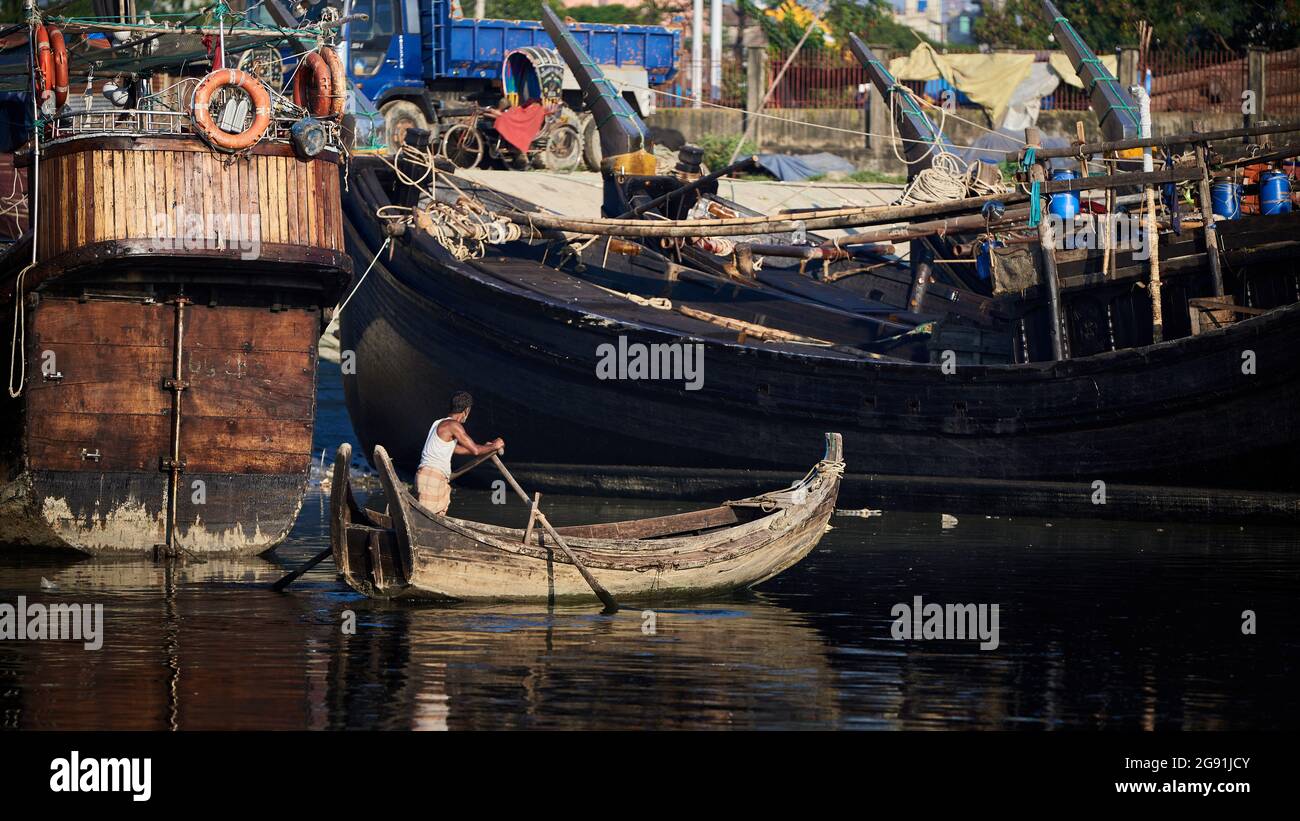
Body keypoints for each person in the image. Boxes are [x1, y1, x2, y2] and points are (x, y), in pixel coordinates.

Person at [415, 391, 503, 515]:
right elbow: (475, 450)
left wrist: (486, 448)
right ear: (466, 411)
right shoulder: (453, 425)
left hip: (434, 477)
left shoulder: (439, 423)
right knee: (425, 519)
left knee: (437, 518)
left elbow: (456, 449)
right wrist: (495, 445)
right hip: (432, 477)